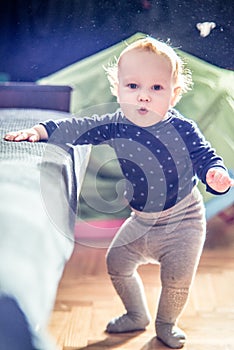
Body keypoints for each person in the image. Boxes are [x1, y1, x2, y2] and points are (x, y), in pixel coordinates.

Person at [4, 37, 234, 349]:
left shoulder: (183, 128)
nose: (143, 97)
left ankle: (166, 323)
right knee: (118, 263)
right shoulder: (116, 124)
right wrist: (42, 130)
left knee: (176, 281)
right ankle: (135, 314)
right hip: (141, 219)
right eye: (133, 87)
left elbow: (205, 156)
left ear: (174, 94)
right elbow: (79, 127)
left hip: (184, 221)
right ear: (118, 89)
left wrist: (214, 174)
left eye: (156, 88)